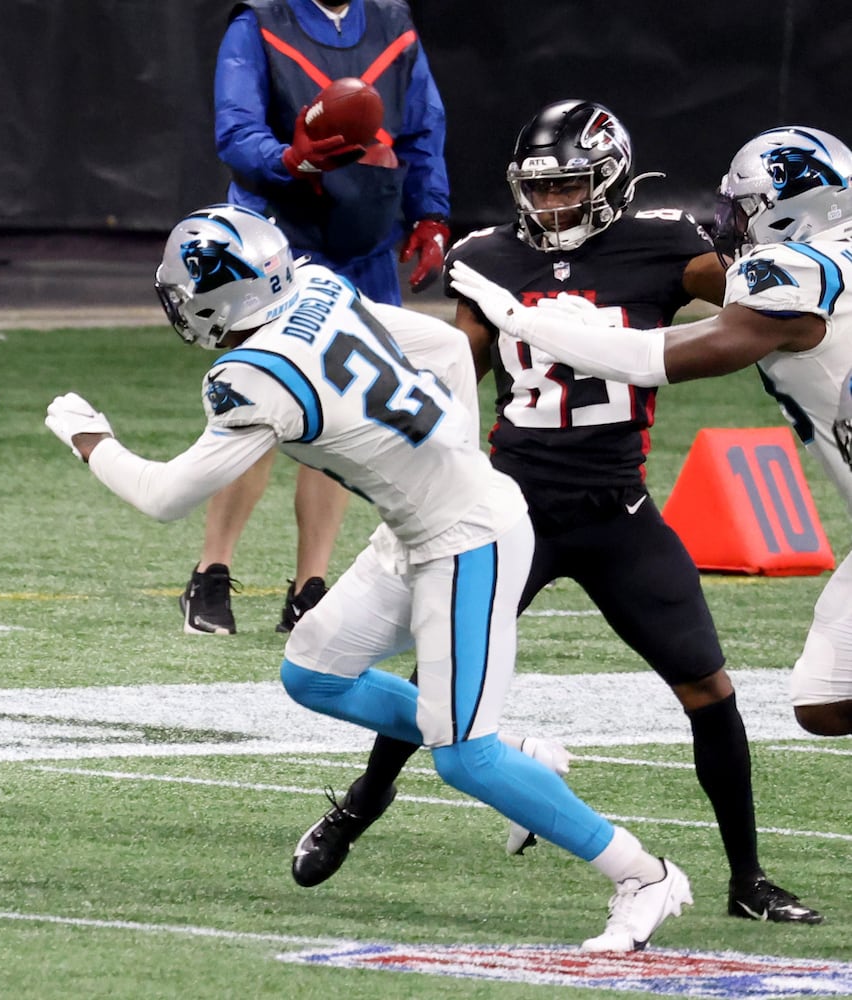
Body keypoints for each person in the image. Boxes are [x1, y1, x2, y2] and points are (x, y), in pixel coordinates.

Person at [47, 203, 691, 952]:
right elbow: (446, 346)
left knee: (464, 757)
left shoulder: (248, 378)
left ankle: (643, 874)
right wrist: (451, 451)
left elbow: (164, 497)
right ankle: (519, 755)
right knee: (314, 672)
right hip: (417, 528)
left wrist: (90, 439)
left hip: (469, 539)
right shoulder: (319, 286)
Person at [292, 102, 822, 924]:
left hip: (616, 509)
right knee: (442, 674)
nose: (552, 204)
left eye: (570, 186)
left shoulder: (666, 244)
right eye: (540, 189)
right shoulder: (486, 256)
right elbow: (453, 376)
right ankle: (361, 803)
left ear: (611, 179)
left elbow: (759, 310)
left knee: (708, 687)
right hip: (509, 511)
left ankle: (747, 878)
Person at [452, 123, 852, 746]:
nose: (733, 222)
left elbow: (654, 358)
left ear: (794, 209)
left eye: (747, 207)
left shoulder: (799, 269)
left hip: (609, 500)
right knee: (824, 702)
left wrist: (524, 321)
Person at [182, 0, 452, 635]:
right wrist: (288, 160)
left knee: (341, 413)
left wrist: (431, 212)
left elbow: (422, 128)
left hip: (363, 236)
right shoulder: (258, 21)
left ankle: (310, 584)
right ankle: (211, 572)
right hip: (275, 239)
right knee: (258, 407)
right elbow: (236, 130)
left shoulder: (392, 22)